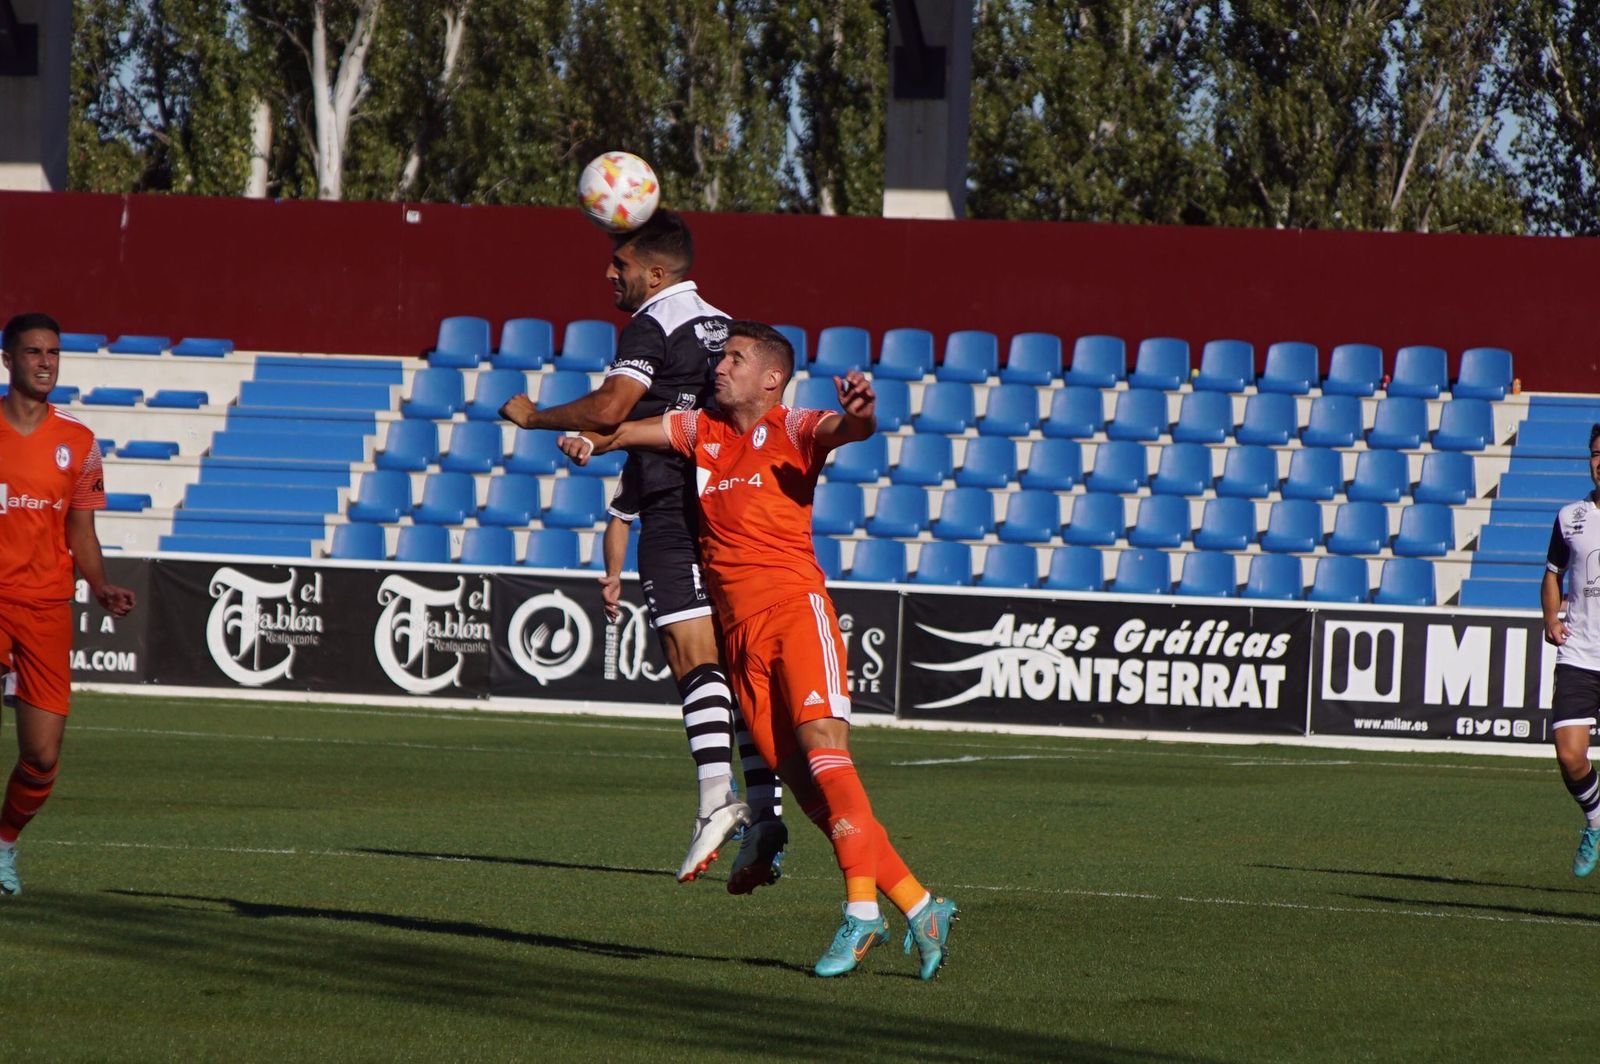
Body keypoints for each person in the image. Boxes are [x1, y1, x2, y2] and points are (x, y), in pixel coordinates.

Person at [560, 321, 958, 979]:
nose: (720, 367)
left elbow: (850, 430)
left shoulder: (795, 427)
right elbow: (626, 433)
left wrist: (864, 414)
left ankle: (861, 912)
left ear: (772, 378)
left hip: (797, 614)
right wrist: (587, 439)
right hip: (739, 638)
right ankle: (921, 906)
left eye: (735, 359)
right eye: (721, 358)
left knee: (826, 753)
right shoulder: (701, 431)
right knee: (808, 792)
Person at [500, 211, 786, 888]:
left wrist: (534, 416)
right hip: (728, 506)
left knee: (691, 658)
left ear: (656, 274)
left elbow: (611, 404)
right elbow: (684, 414)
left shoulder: (653, 323)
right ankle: (767, 812)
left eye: (620, 264)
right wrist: (603, 440)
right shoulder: (725, 328)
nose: (609, 273)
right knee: (736, 669)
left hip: (673, 508)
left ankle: (716, 798)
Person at [0, 313, 137, 895]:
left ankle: (4, 845)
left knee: (41, 757)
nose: (45, 362)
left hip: (46, 607)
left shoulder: (79, 442)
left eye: (53, 353)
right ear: (8, 359)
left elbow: (82, 531)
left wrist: (100, 585)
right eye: (33, 352)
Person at [1543, 423, 1600, 878]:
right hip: (1580, 654)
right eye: (1597, 454)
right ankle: (1596, 821)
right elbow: (1552, 574)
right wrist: (1551, 618)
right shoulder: (1570, 517)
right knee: (1570, 755)